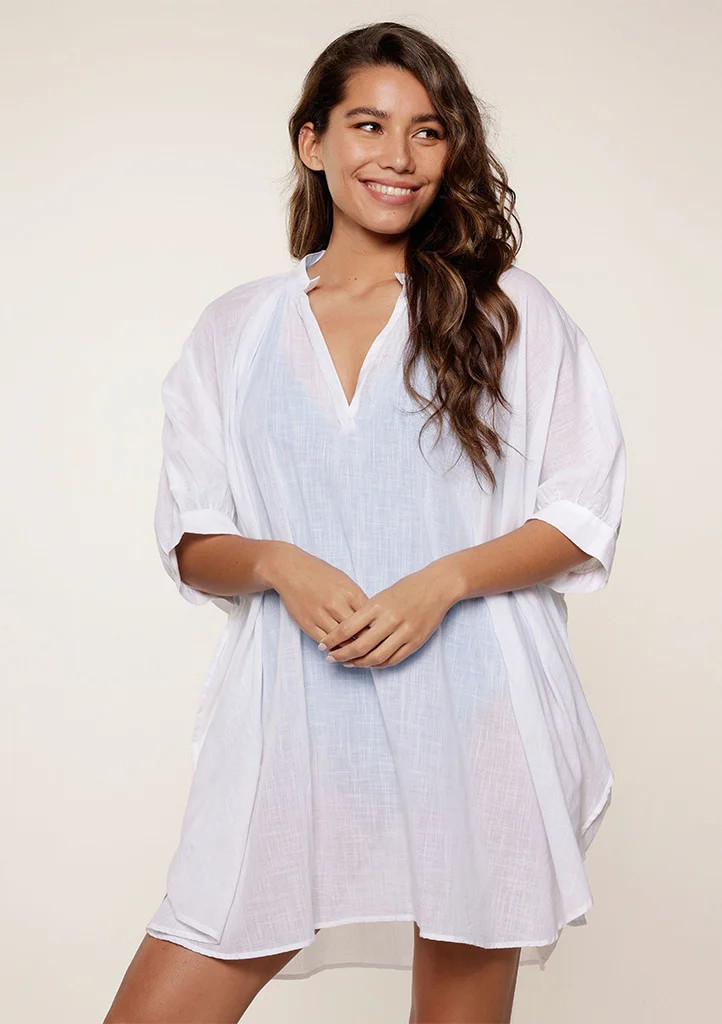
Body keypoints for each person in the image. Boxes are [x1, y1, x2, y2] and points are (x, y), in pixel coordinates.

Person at [104, 21, 626, 1024]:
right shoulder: (237, 328)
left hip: (477, 715)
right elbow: (192, 537)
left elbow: (580, 509)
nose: (399, 155)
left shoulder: (505, 310)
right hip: (296, 718)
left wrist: (442, 582)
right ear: (312, 142)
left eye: (427, 131)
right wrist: (279, 562)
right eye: (368, 124)